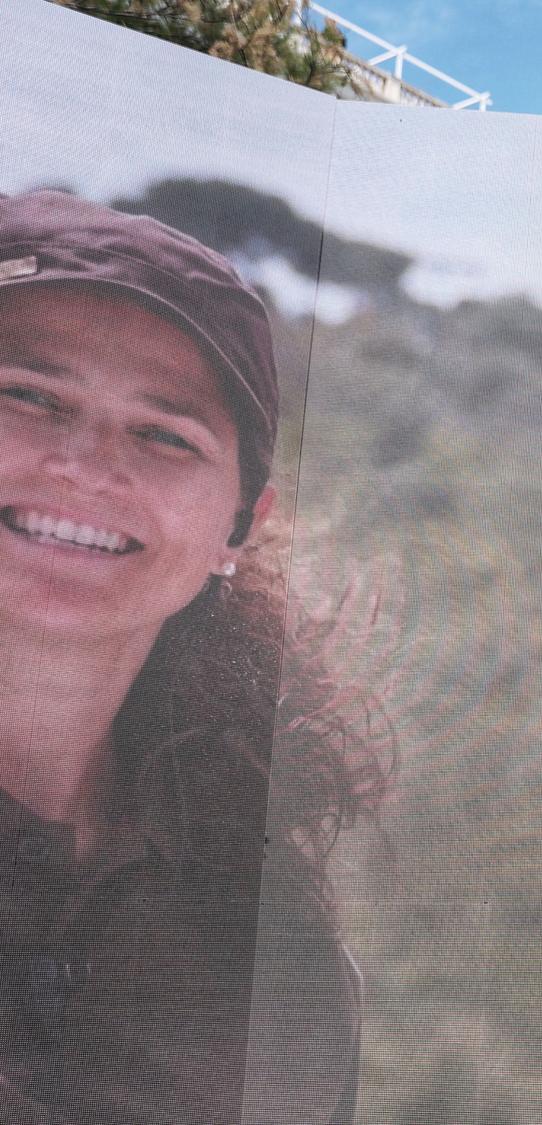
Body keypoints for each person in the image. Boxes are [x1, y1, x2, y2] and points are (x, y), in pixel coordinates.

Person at [0, 189, 369, 1123]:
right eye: (26, 396)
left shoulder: (273, 954)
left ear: (240, 529)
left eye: (165, 435)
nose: (84, 466)